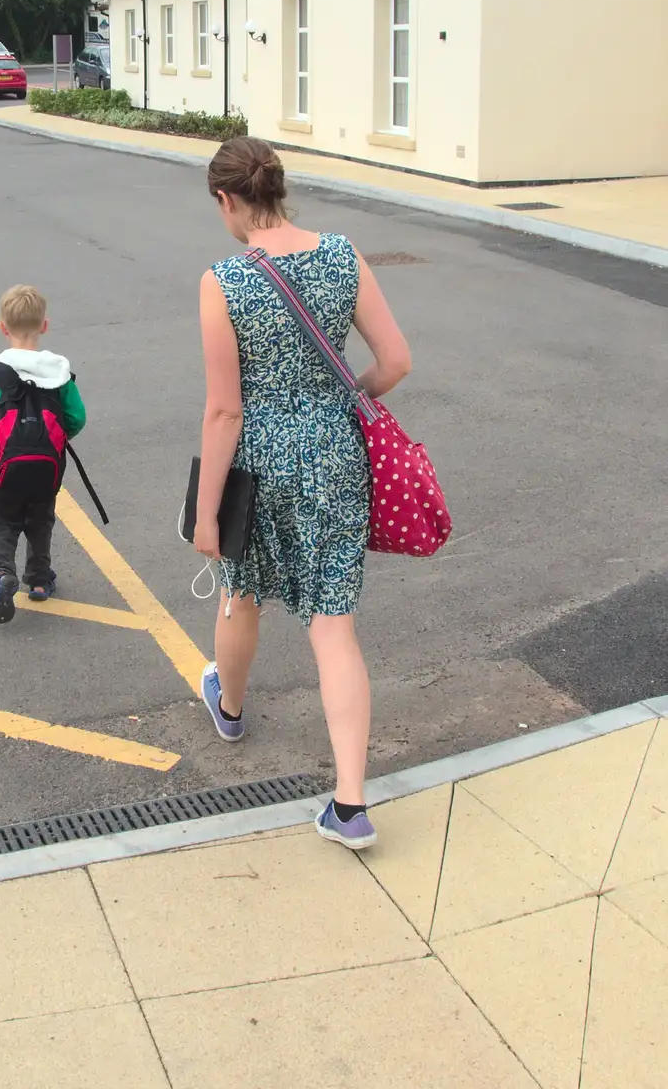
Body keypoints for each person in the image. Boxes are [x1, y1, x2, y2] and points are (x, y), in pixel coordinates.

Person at [194, 136, 411, 850]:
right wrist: (345, 397)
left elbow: (224, 410)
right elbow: (394, 361)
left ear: (227, 200)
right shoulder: (343, 254)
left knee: (241, 589)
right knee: (332, 624)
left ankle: (228, 706)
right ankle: (350, 805)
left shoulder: (222, 281)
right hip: (335, 453)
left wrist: (205, 514)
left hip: (259, 459)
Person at [0, 284, 86, 623]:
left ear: (3, 328)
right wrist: (54, 439)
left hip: (2, 467)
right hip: (47, 470)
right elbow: (77, 417)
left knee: (1, 522)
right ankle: (39, 580)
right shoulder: (59, 374)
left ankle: (3, 573)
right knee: (40, 520)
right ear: (44, 326)